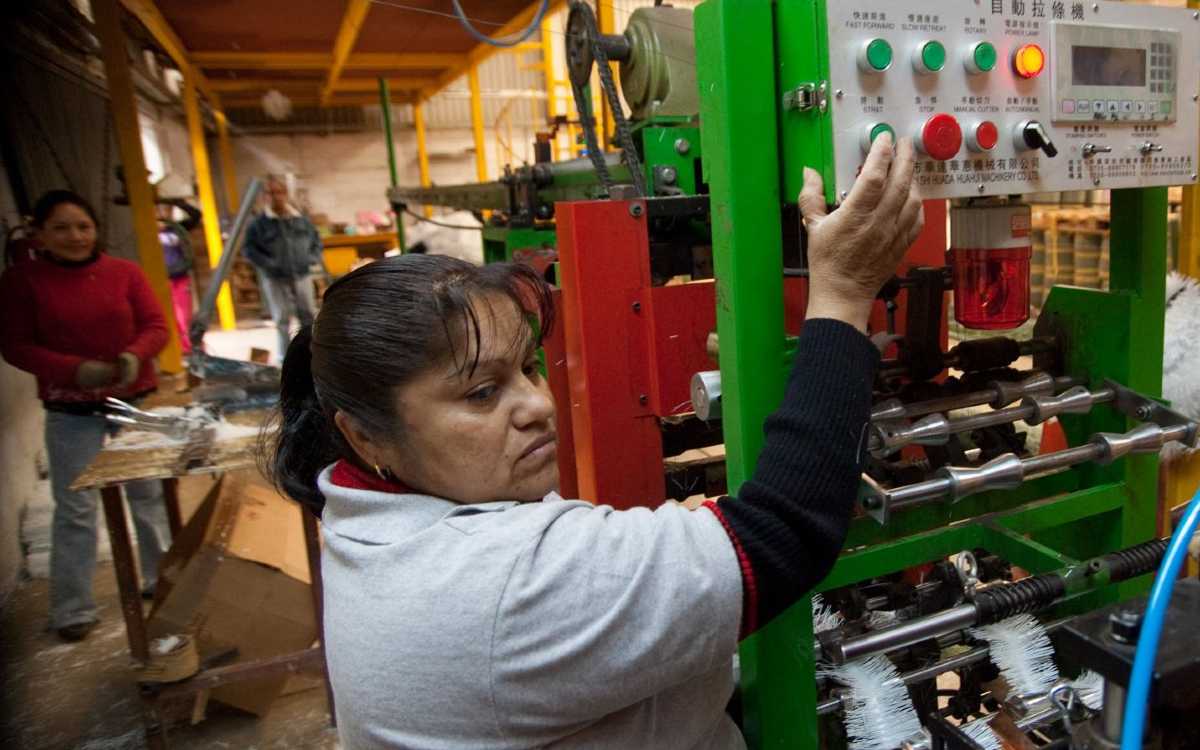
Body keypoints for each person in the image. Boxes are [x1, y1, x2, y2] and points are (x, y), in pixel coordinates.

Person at [267, 135, 923, 748]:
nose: (536, 406)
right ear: (362, 433)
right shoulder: (496, 588)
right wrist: (841, 296)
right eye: (480, 394)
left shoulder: (370, 526)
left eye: (527, 367)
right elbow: (785, 532)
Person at [0, 190, 172, 642]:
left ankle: (160, 579)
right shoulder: (23, 281)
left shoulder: (123, 273)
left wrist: (135, 357)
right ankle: (72, 607)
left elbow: (156, 327)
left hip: (132, 401)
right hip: (70, 409)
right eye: (61, 227)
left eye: (83, 226)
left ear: (96, 230)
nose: (75, 236)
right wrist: (74, 370)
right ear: (38, 233)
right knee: (75, 508)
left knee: (147, 496)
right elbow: (15, 345)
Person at [243, 176, 324, 360]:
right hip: (275, 278)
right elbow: (249, 249)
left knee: (308, 316)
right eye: (271, 193)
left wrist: (311, 258)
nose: (276, 197)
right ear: (265, 197)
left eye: (279, 193)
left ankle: (311, 355)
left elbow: (316, 242)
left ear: (285, 194)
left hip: (302, 274)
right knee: (281, 319)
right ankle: (286, 358)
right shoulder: (259, 225)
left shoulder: (300, 221)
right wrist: (269, 263)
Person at [156, 197, 202, 354]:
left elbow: (196, 215)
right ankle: (178, 349)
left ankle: (190, 348)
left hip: (180, 277)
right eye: (161, 209)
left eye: (168, 209)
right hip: (162, 279)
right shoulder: (149, 231)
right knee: (170, 318)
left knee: (185, 317)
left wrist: (180, 204)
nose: (164, 212)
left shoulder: (178, 228)